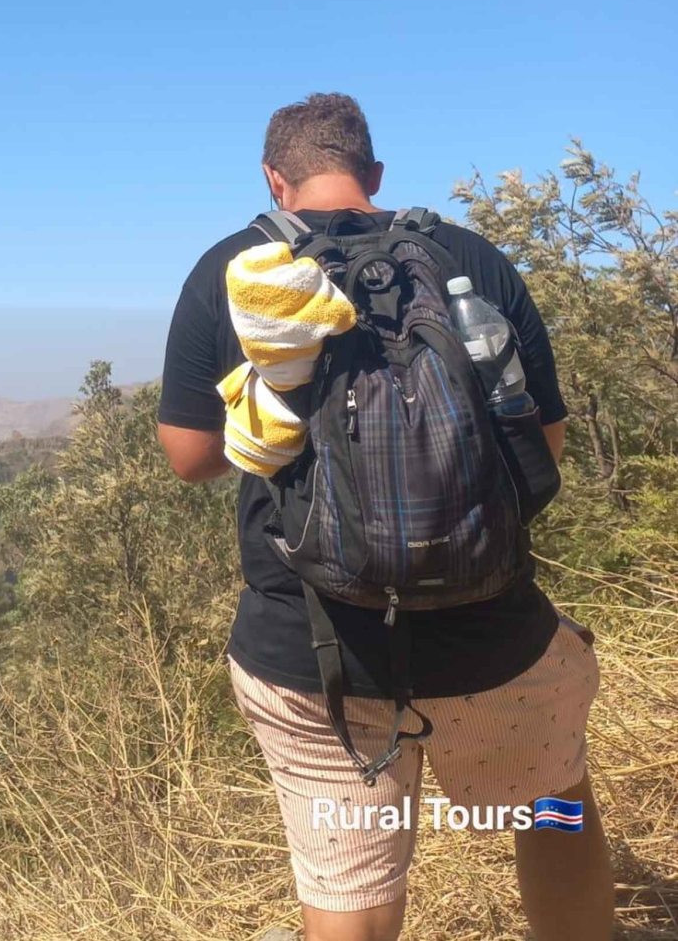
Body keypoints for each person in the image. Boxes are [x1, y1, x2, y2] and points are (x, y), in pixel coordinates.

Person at [157, 94, 614, 941]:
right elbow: (541, 442)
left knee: (349, 882)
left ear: (273, 179)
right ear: (374, 177)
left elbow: (189, 458)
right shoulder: (469, 257)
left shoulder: (234, 271)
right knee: (551, 810)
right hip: (495, 639)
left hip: (314, 653)